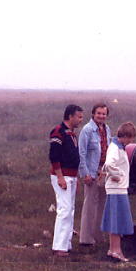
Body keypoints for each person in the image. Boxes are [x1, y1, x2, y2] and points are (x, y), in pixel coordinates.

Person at [49, 104, 84, 256]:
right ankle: (59, 247)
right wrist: (60, 177)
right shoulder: (58, 132)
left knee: (70, 210)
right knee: (64, 209)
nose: (81, 120)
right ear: (70, 116)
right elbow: (54, 156)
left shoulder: (72, 134)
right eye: (79, 117)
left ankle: (66, 243)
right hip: (62, 175)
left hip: (71, 175)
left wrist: (74, 177)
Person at [101, 122, 136, 262]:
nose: (131, 141)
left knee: (115, 219)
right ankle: (117, 250)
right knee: (117, 220)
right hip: (117, 189)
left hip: (118, 188)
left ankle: (112, 249)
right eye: (130, 138)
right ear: (125, 136)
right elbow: (109, 164)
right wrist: (116, 175)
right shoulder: (115, 147)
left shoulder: (119, 147)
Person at [78, 103, 112, 250]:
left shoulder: (107, 129)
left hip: (103, 171)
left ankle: (98, 236)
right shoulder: (87, 130)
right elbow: (82, 153)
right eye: (99, 113)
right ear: (93, 114)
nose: (101, 116)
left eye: (104, 114)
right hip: (91, 171)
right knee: (90, 204)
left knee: (102, 204)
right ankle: (86, 239)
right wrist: (85, 173)